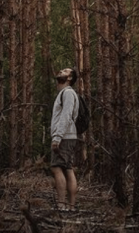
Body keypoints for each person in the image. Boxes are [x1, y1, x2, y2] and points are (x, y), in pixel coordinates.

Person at [50, 67, 79, 211]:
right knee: (68, 168)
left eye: (65, 71)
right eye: (61, 70)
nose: (61, 71)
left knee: (57, 167)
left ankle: (62, 205)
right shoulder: (65, 93)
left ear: (69, 78)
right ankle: (71, 206)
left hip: (65, 136)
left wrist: (57, 137)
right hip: (69, 136)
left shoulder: (67, 93)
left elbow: (66, 115)